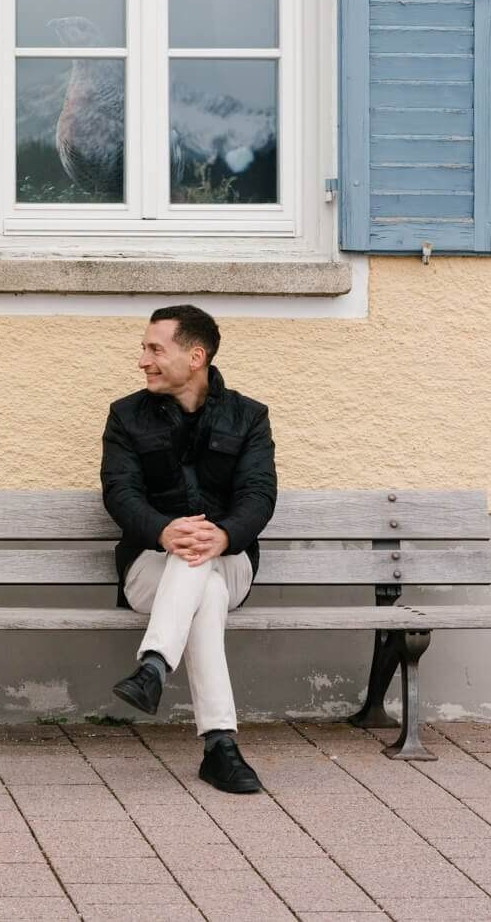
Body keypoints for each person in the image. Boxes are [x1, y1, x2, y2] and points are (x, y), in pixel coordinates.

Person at [101, 305, 277, 794]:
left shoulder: (249, 417)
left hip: (231, 559)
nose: (143, 360)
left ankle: (155, 665)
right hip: (148, 569)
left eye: (155, 349)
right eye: (144, 349)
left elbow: (259, 495)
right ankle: (220, 745)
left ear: (195, 356)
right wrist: (162, 531)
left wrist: (222, 536)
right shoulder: (125, 416)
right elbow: (120, 492)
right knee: (204, 587)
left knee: (203, 565)